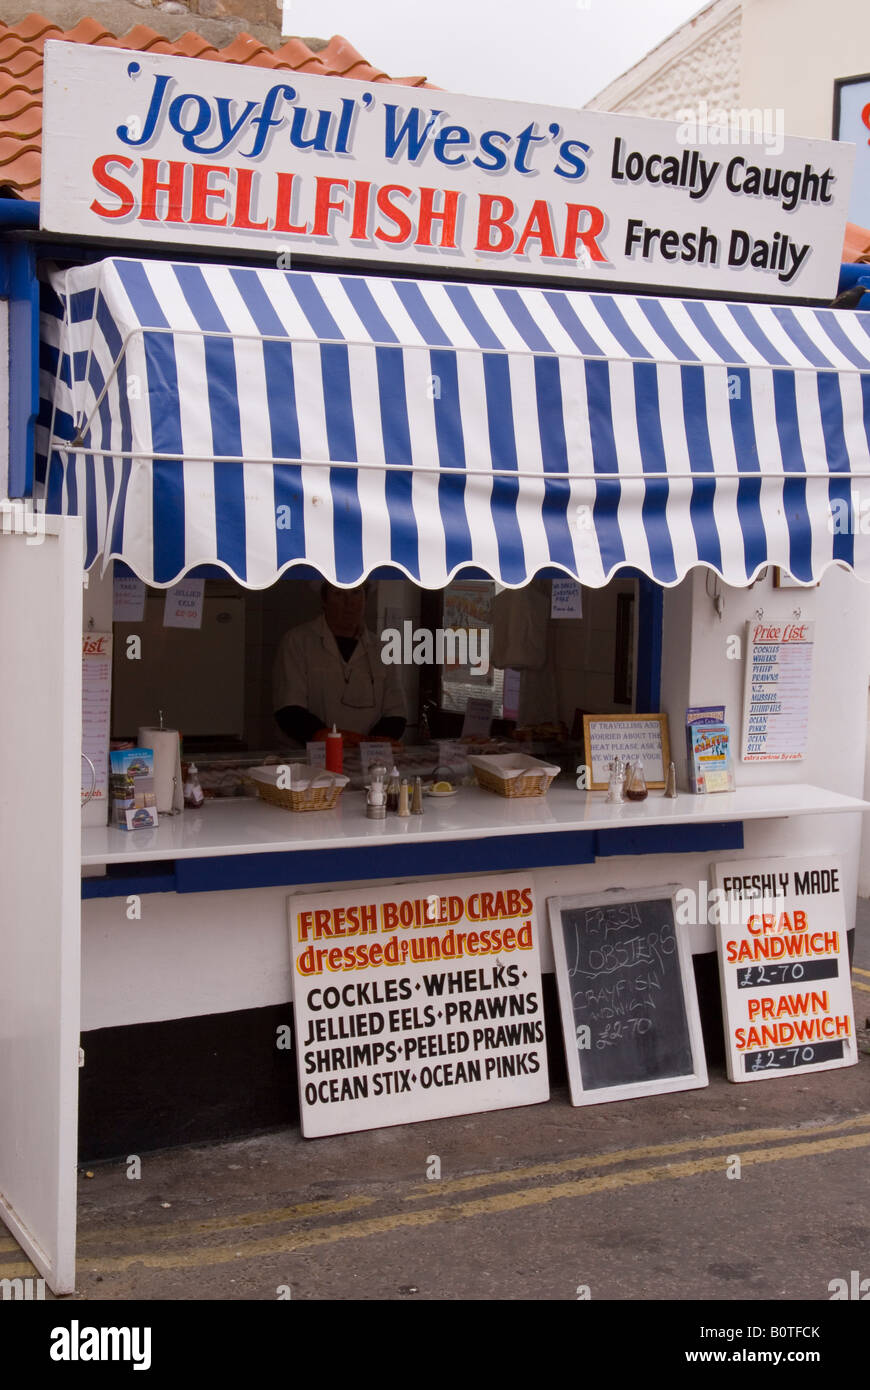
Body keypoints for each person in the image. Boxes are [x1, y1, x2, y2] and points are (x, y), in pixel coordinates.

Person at [272, 582, 407, 746]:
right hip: (310, 760)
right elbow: (289, 711)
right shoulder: (297, 641)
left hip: (367, 762)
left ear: (365, 599)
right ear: (324, 600)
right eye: (338, 594)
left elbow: (396, 712)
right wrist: (336, 740)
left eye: (356, 593)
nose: (349, 602)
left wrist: (368, 747)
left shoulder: (382, 649)